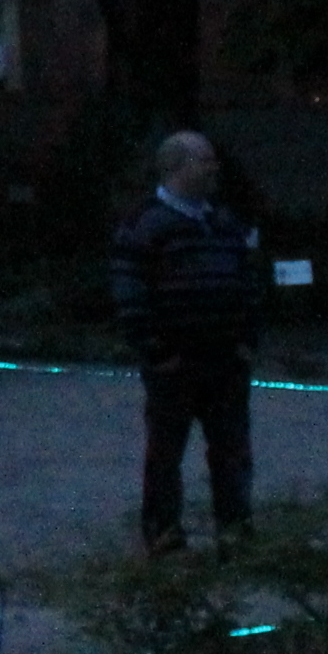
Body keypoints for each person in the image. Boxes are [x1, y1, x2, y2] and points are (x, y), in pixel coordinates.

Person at [113, 129, 267, 553]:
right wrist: (157, 350)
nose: (214, 168)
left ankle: (235, 529)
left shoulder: (224, 222)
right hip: (175, 361)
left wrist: (247, 340)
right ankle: (164, 532)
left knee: (232, 450)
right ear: (176, 167)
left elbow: (249, 281)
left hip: (225, 359)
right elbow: (130, 292)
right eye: (205, 160)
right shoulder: (145, 224)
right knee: (166, 452)